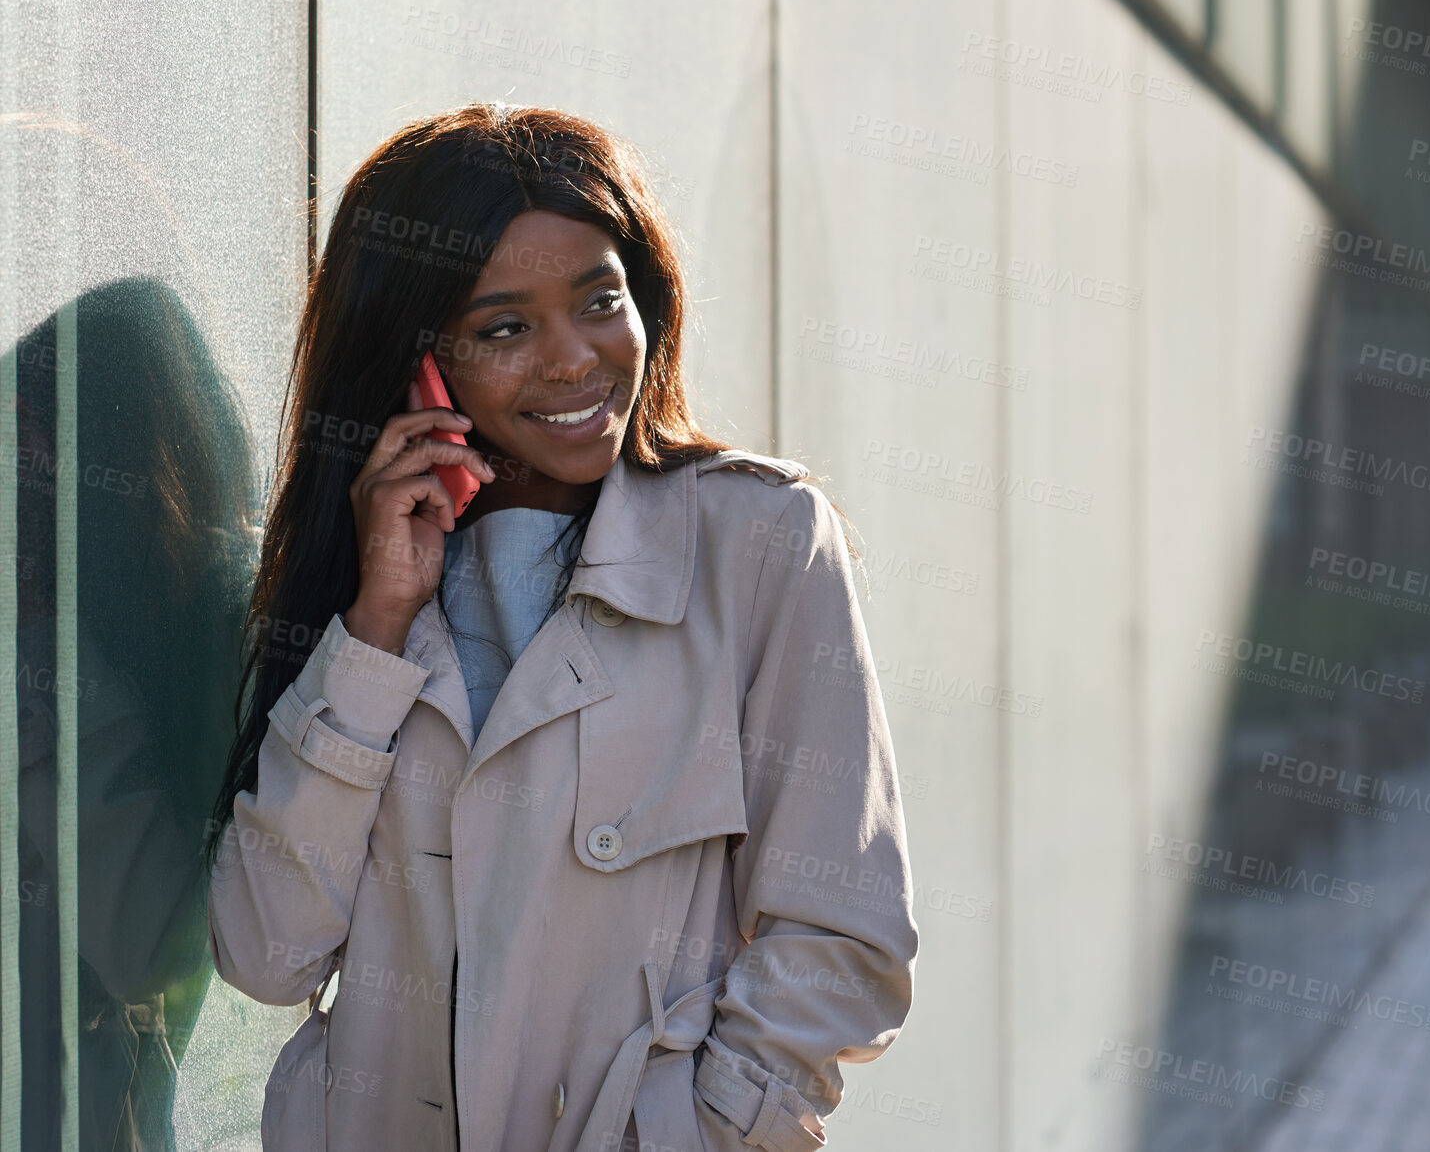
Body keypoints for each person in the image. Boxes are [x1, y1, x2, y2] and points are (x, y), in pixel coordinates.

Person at [203, 101, 918, 1152]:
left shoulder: (759, 540)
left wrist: (699, 1130)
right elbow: (268, 955)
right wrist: (375, 626)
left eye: (600, 300)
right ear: (419, 361)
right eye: (505, 328)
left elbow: (843, 935)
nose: (576, 359)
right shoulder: (370, 587)